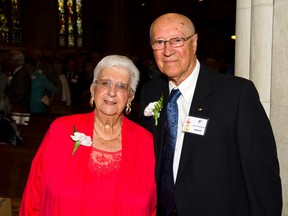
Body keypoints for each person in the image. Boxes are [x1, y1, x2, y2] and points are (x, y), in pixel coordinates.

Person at [139, 13, 282, 216]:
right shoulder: (151, 92)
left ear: (194, 43)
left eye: (177, 40)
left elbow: (261, 179)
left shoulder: (236, 94)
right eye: (159, 42)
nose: (167, 50)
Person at [20, 55, 157, 215]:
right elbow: (33, 194)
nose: (112, 92)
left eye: (121, 86)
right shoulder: (61, 130)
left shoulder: (146, 142)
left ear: (130, 97)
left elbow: (152, 208)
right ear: (93, 90)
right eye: (105, 83)